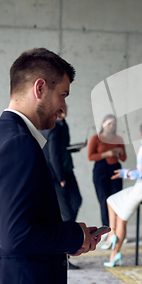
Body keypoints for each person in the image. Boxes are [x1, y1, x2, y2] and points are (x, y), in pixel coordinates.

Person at [0, 48, 98, 284]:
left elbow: (7, 227)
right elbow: (17, 235)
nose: (63, 108)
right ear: (40, 88)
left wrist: (67, 242)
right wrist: (74, 235)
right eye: (63, 95)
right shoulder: (18, 144)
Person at [101, 121, 142, 267]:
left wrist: (123, 173)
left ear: (141, 133)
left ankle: (114, 255)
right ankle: (112, 233)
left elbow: (141, 173)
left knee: (122, 220)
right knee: (111, 200)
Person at [41, 106, 84, 269]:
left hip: (66, 172)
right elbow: (53, 157)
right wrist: (61, 179)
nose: (64, 109)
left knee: (76, 202)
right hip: (59, 176)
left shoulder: (62, 125)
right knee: (67, 212)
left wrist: (73, 149)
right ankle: (63, 252)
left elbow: (60, 149)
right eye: (60, 108)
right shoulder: (53, 128)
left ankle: (64, 244)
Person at [87, 114, 126, 226]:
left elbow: (123, 158)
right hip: (100, 170)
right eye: (109, 124)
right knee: (104, 200)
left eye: (114, 124)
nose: (111, 126)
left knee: (116, 199)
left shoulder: (118, 139)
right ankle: (106, 229)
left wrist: (120, 151)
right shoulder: (96, 138)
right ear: (103, 124)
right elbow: (90, 157)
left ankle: (117, 229)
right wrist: (106, 154)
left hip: (115, 170)